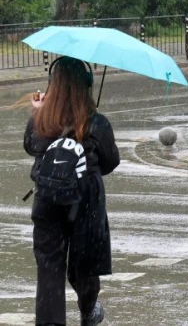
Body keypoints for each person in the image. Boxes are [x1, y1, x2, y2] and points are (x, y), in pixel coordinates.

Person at [24, 56, 120, 326]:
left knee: (49, 268)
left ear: (52, 84)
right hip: (85, 202)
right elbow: (111, 162)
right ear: (86, 86)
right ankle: (88, 310)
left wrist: (38, 111)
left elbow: (30, 146)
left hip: (47, 201)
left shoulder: (41, 121)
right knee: (85, 264)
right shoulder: (97, 122)